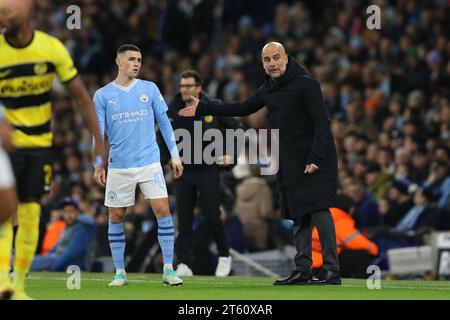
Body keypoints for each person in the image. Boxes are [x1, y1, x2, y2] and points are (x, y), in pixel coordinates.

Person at [179, 42, 341, 285]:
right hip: (287, 159)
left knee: (318, 210)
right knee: (299, 216)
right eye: (267, 60)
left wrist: (315, 158)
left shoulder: (306, 84)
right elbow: (243, 107)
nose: (272, 63)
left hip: (313, 158)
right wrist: (203, 106)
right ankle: (303, 269)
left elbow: (322, 122)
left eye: (276, 58)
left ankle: (331, 271)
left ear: (286, 58)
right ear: (263, 63)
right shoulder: (269, 88)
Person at [0, 0, 106, 300]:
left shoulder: (51, 49)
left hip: (39, 147)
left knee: (31, 214)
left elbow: (82, 97)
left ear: (28, 11)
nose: (2, 14)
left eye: (8, 8)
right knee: (4, 215)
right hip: (5, 148)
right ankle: (1, 282)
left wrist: (99, 139)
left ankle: (17, 286)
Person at [93, 44, 183, 286]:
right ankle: (120, 273)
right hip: (119, 166)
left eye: (140, 60)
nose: (136, 64)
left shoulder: (149, 89)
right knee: (117, 215)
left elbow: (164, 123)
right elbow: (98, 133)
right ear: (119, 61)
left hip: (149, 162)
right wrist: (98, 164)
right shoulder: (102, 95)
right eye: (132, 59)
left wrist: (175, 155)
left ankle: (168, 269)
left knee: (163, 210)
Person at [161, 70, 241, 277]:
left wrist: (229, 155)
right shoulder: (172, 109)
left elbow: (236, 128)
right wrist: (166, 158)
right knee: (184, 219)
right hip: (184, 172)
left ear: (199, 87)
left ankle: (224, 256)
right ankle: (184, 263)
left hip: (208, 169)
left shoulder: (212, 106)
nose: (185, 89)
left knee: (212, 216)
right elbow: (161, 135)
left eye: (189, 86)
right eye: (182, 86)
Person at [30, 197, 96, 272]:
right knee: (35, 260)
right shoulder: (67, 227)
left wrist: (52, 267)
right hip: (59, 260)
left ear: (77, 212)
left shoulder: (83, 227)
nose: (68, 215)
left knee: (32, 263)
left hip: (76, 264)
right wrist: (46, 257)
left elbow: (71, 252)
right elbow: (56, 247)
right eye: (65, 212)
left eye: (71, 211)